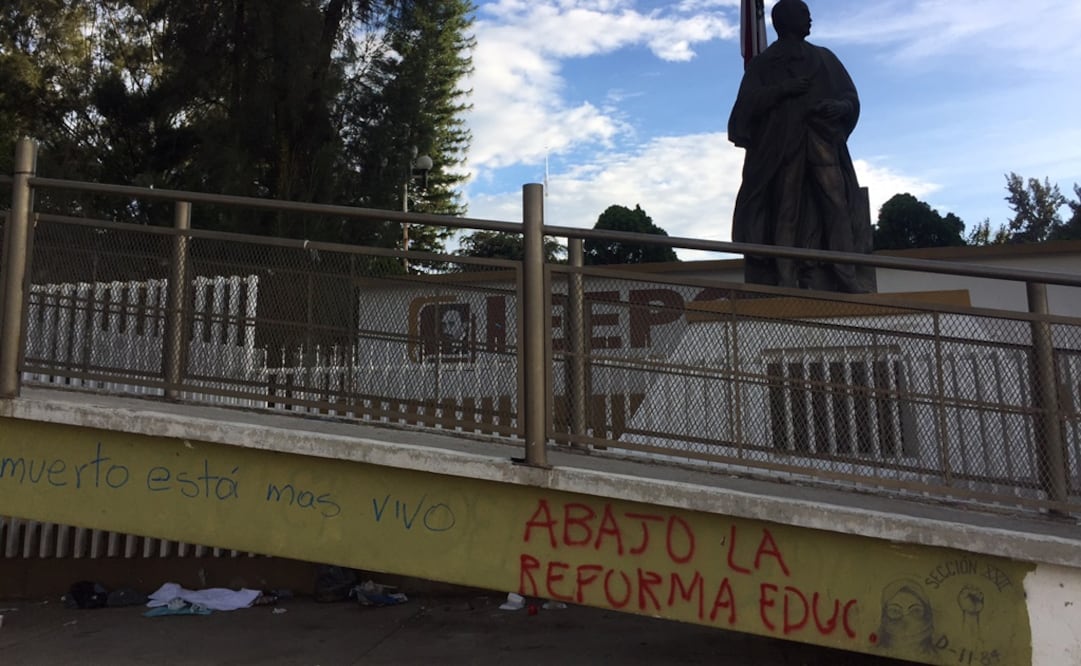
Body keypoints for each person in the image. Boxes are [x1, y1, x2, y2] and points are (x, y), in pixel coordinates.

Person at [728, 0, 870, 292]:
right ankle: (784, 276)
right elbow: (745, 108)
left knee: (837, 205)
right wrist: (783, 90)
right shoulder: (764, 64)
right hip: (781, 148)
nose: (810, 19)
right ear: (788, 19)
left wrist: (839, 106)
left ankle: (845, 274)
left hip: (821, 143)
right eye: (805, 14)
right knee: (785, 209)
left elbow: (850, 97)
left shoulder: (824, 58)